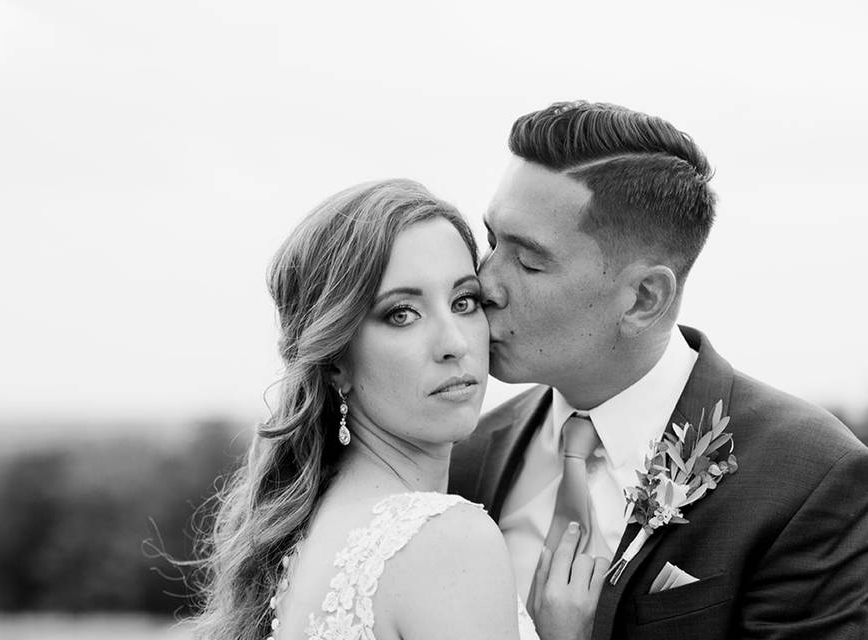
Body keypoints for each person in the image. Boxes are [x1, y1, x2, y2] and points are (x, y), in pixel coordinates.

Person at [450, 101, 868, 639]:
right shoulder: (464, 455)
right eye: (492, 240)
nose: (483, 283)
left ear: (643, 298)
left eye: (529, 261)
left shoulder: (812, 478)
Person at [192, 179, 606, 640]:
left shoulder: (310, 532)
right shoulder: (448, 539)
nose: (454, 343)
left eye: (463, 301)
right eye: (402, 314)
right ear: (334, 364)